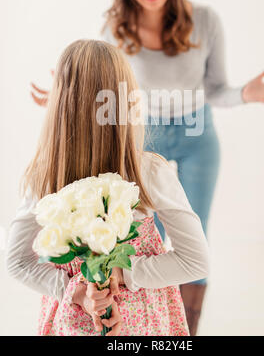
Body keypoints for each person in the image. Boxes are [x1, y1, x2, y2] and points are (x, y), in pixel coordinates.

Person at [30, 0, 264, 335]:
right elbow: (106, 90)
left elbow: (215, 90)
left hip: (196, 137)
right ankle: (133, 329)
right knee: (135, 237)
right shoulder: (114, 28)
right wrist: (71, 100)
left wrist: (245, 93)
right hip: (140, 140)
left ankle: (185, 331)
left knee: (194, 239)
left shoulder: (205, 22)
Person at [6, 39, 209, 336]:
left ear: (59, 104)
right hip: (145, 324)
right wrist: (125, 273)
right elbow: (196, 261)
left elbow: (18, 262)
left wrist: (75, 291)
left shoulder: (44, 176)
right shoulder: (149, 172)